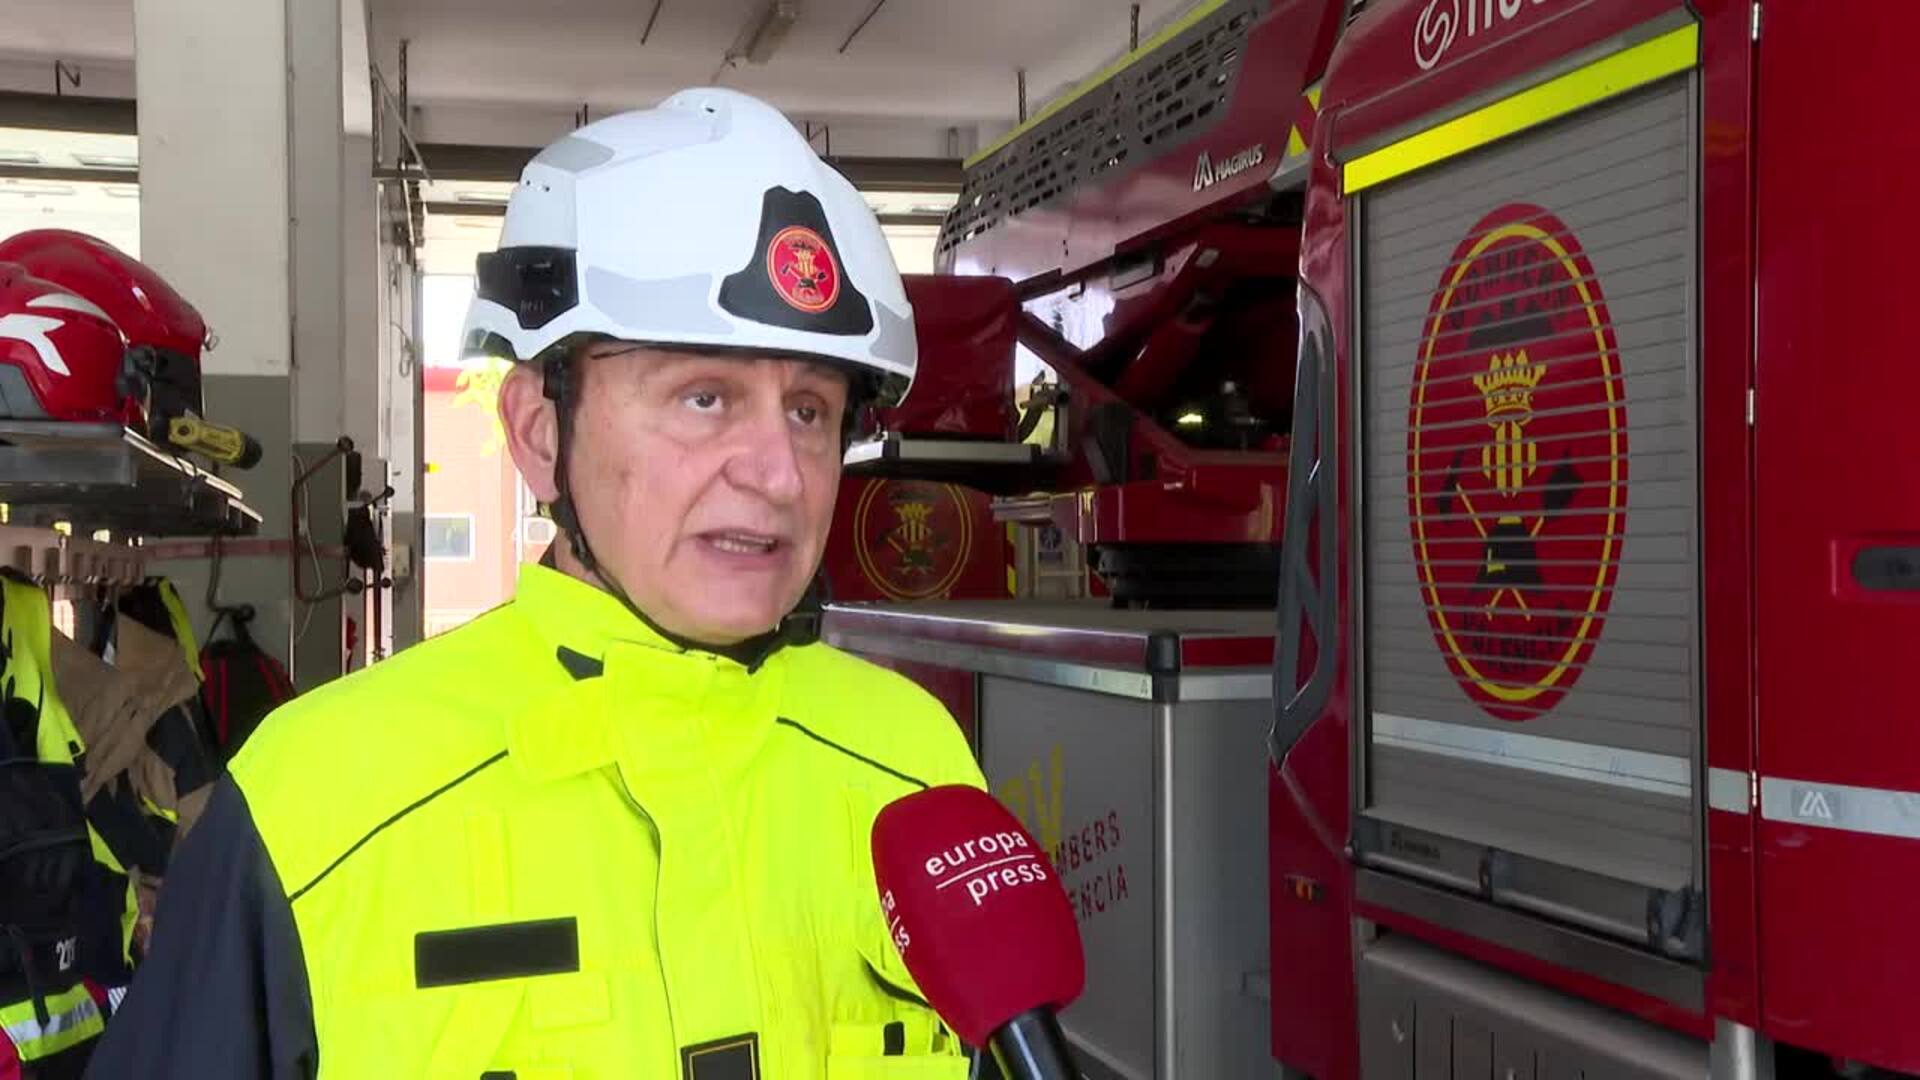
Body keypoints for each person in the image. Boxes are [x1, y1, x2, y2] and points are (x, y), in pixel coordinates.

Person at [87, 87, 983, 1078]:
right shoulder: (313, 803)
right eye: (705, 397)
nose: (778, 474)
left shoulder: (917, 764)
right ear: (540, 431)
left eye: (811, 411)